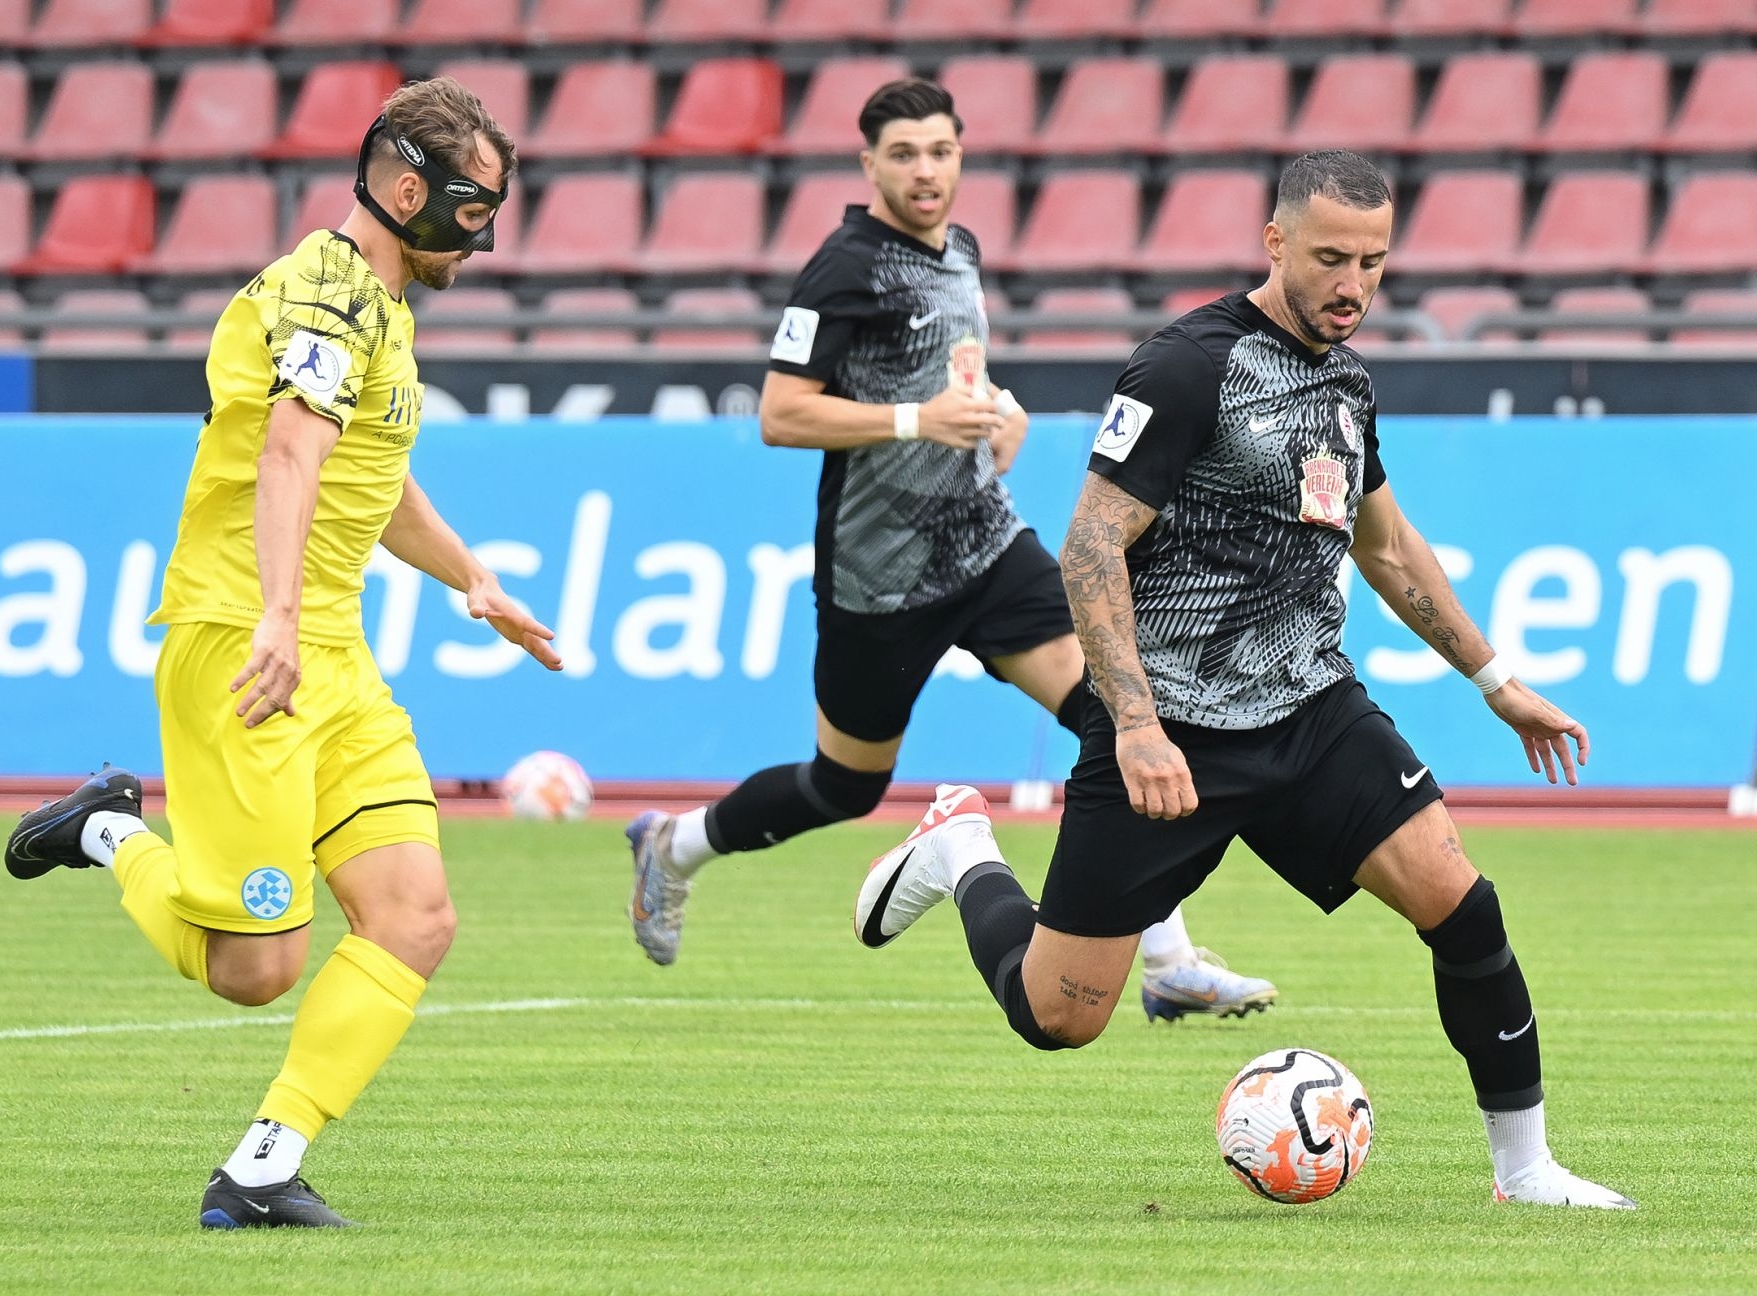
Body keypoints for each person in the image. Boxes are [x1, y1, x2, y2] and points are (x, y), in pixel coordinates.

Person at [853, 150, 1634, 1208]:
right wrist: (1135, 725)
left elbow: (1387, 547)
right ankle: (961, 850)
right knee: (1059, 1017)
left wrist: (1496, 681)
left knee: (1463, 905)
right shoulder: (1186, 367)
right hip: (1173, 730)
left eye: (1373, 261)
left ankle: (1527, 1170)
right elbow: (1091, 546)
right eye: (1330, 258)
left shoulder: (1347, 382)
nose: (1352, 284)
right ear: (1275, 242)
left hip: (1311, 710)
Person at [2, 79, 560, 1229]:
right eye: (471, 210)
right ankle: (105, 830)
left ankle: (261, 1168)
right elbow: (290, 455)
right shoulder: (327, 294)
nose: (482, 238)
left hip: (334, 653)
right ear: (404, 188)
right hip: (246, 645)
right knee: (254, 970)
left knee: (415, 917)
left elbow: (372, 480)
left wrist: (472, 577)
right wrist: (274, 616)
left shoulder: (380, 305)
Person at [624, 78, 1277, 1023]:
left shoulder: (960, 249)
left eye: (940, 151)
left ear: (961, 155)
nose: (925, 171)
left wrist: (998, 412)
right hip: (882, 575)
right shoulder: (842, 268)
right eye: (904, 155)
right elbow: (780, 413)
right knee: (845, 784)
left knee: (1117, 717)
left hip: (986, 544)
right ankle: (674, 845)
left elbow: (950, 375)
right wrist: (915, 420)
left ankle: (1168, 959)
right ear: (869, 165)